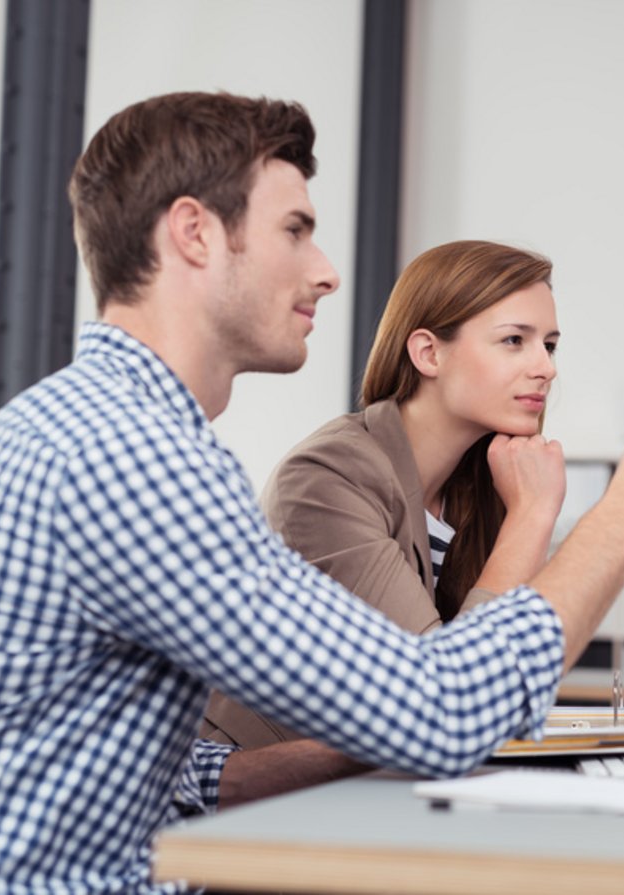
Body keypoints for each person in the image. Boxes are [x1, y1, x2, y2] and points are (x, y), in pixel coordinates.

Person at [0, 91, 624, 895]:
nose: (327, 271)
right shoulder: (131, 458)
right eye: (295, 230)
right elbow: (445, 710)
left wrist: (370, 726)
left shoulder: (100, 427)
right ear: (195, 233)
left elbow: (167, 772)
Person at [204, 240, 568, 748]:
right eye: (514, 341)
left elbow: (520, 673)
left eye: (548, 345)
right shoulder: (325, 478)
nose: (545, 367)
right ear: (428, 353)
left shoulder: (482, 483)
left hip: (376, 781)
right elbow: (450, 700)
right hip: (259, 795)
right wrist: (532, 516)